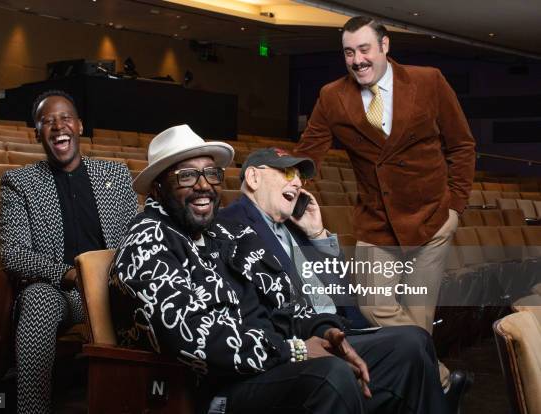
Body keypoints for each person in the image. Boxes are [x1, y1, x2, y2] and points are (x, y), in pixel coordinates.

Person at [109, 124, 448, 414]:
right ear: (157, 186)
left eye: (211, 174)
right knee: (330, 374)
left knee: (410, 345)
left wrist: (327, 331)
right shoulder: (147, 242)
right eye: (186, 176)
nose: (203, 186)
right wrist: (297, 350)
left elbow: (286, 298)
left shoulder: (222, 233)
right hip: (218, 388)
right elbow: (198, 340)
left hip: (274, 362)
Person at [294, 15, 476, 403]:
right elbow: (309, 153)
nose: (357, 60)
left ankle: (424, 398)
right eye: (348, 52)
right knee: (376, 307)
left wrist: (455, 207)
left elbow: (461, 146)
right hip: (377, 225)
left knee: (418, 321)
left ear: (384, 46)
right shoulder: (332, 96)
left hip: (432, 222)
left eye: (364, 49)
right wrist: (283, 179)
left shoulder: (429, 81)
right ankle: (441, 381)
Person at [0, 90, 138, 413]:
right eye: (47, 121)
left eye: (65, 118)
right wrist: (69, 274)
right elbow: (14, 253)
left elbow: (137, 238)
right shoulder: (19, 182)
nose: (58, 126)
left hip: (113, 288)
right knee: (38, 300)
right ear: (37, 135)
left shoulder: (115, 177)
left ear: (79, 126)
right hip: (62, 292)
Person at [219, 147, 368, 328]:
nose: (298, 183)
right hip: (307, 337)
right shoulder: (228, 225)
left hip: (347, 325)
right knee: (411, 340)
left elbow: (342, 290)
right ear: (253, 178)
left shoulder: (298, 225)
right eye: (288, 173)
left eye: (300, 177)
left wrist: (317, 234)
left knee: (410, 338)